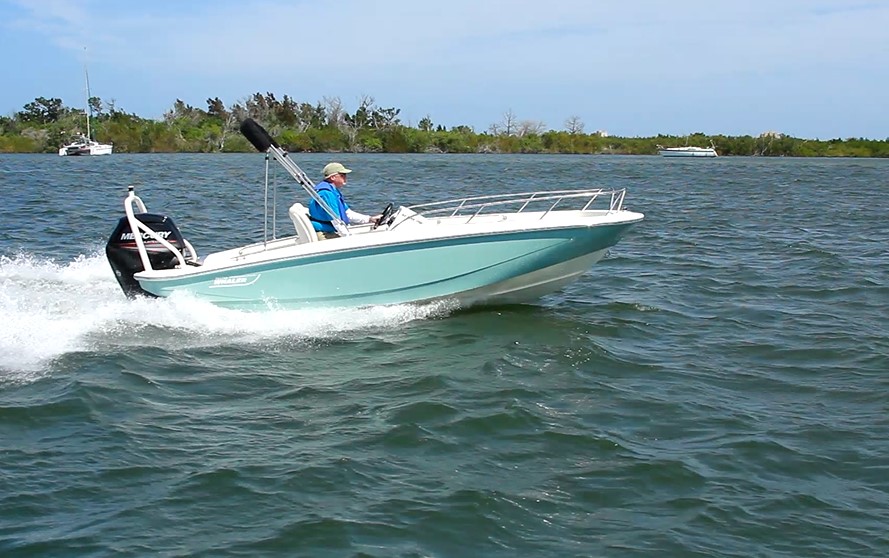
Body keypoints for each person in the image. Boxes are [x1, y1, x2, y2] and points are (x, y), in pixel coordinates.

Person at [307, 162, 380, 240]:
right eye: (342, 175)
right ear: (333, 177)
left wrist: (369, 219)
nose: (345, 177)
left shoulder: (333, 191)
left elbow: (347, 213)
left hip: (330, 230)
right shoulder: (326, 194)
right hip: (324, 233)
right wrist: (348, 237)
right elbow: (336, 220)